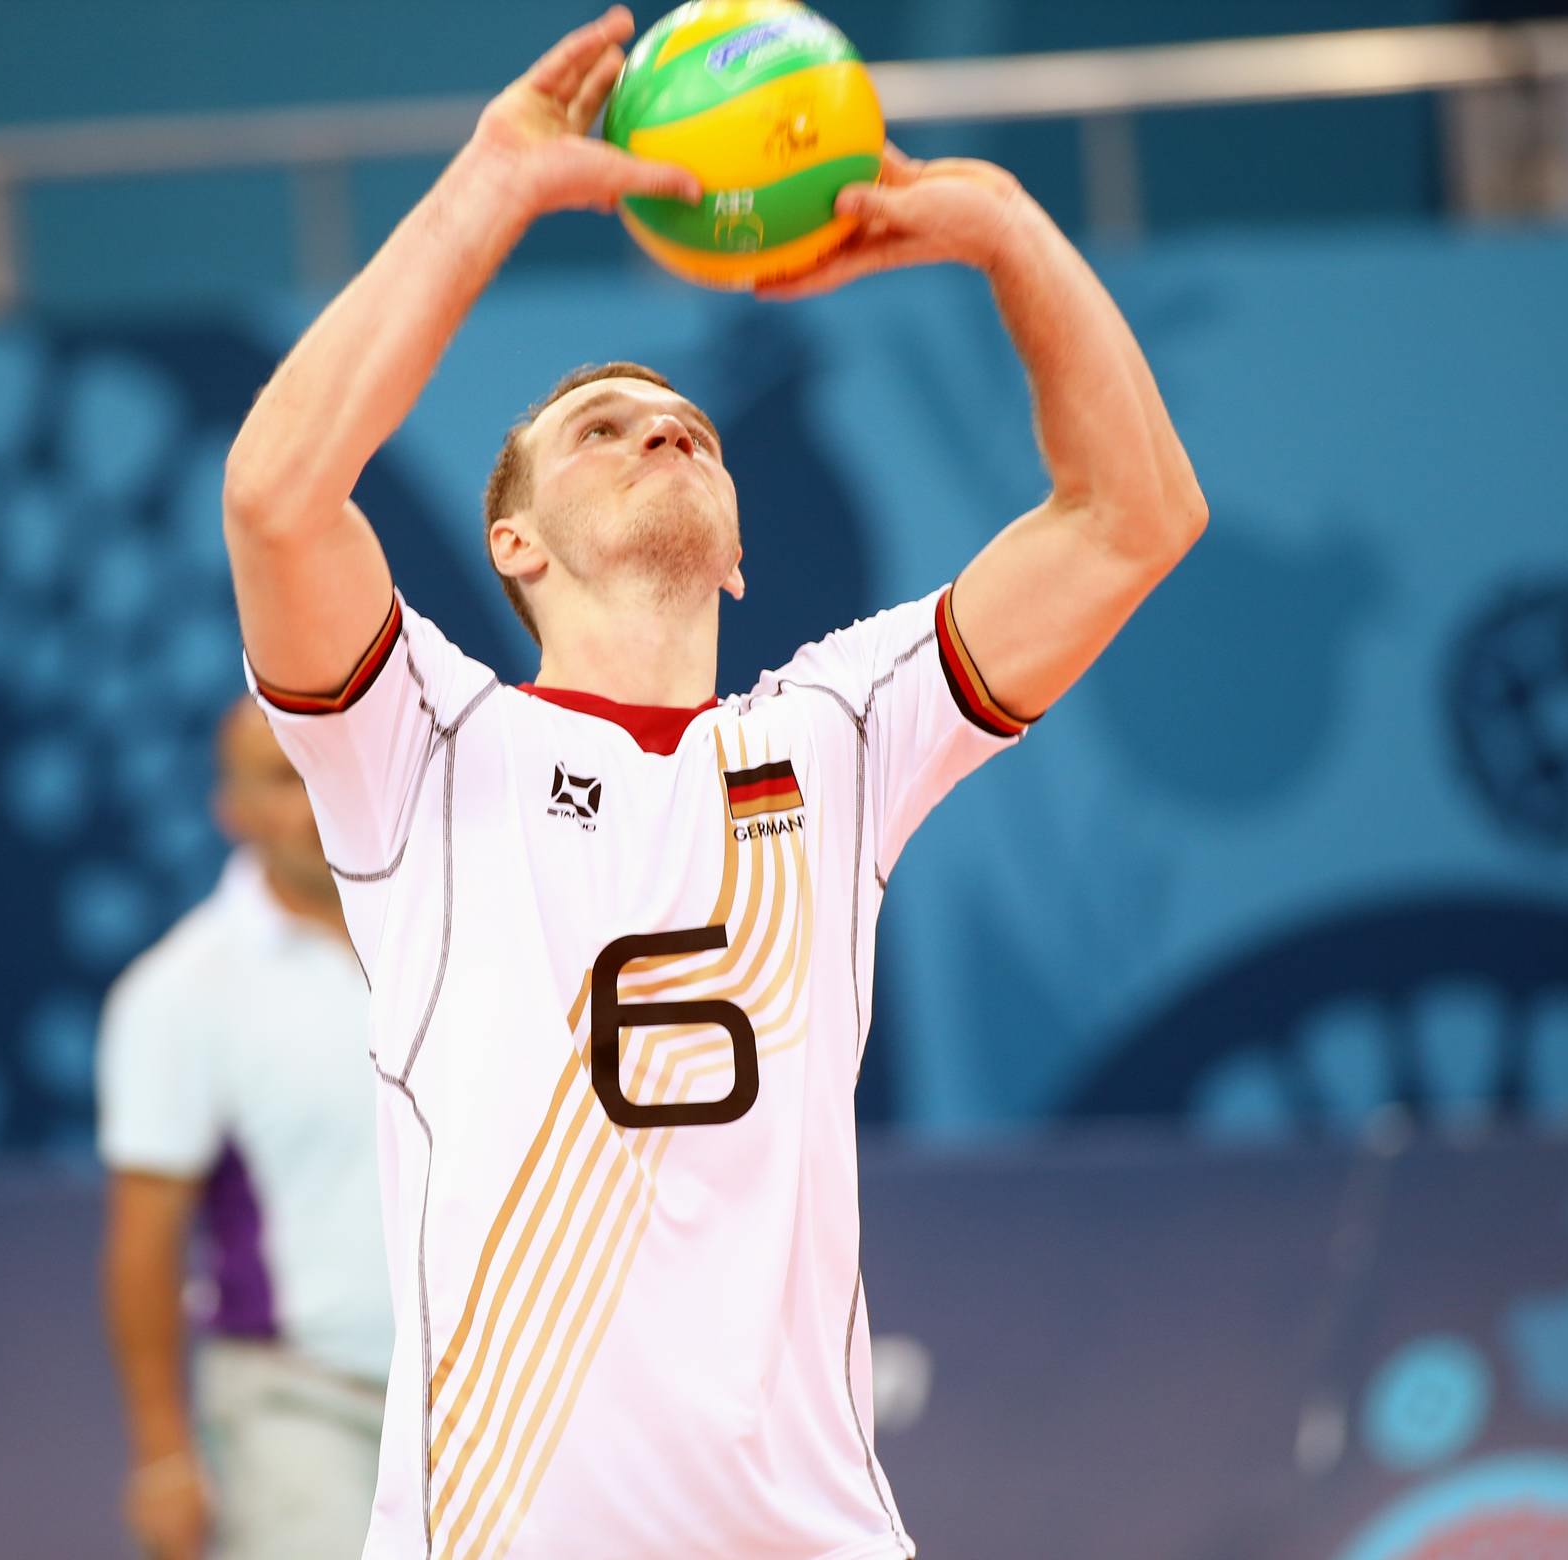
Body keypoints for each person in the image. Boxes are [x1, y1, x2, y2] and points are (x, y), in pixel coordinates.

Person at [219, 8, 1205, 1557]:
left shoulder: (838, 736)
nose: (661, 431)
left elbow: (1134, 519)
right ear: (512, 545)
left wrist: (1007, 231)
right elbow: (279, 500)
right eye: (600, 431)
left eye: (687, 430)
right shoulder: (424, 748)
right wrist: (491, 185)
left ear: (741, 552)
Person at [98, 699, 390, 1560]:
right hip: (298, 1405)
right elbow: (145, 1245)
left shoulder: (467, 940)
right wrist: (163, 1457)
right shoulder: (179, 991)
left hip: (491, 1402)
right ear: (233, 810)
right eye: (285, 778)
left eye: (332, 766)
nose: (319, 798)